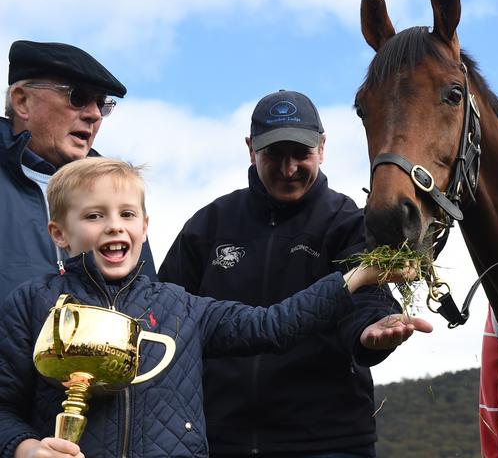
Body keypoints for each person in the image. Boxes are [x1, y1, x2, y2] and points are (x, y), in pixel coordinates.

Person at [0, 157, 431, 458]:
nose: (115, 225)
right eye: (94, 216)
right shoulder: (33, 304)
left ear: (144, 227)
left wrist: (356, 277)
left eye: (127, 214)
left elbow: (273, 325)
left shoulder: (182, 308)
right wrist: (25, 447)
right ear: (59, 233)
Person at [158, 89, 407, 457]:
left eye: (301, 154)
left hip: (328, 442)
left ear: (322, 148)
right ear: (250, 148)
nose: (288, 168)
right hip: (219, 440)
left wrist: (370, 332)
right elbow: (165, 313)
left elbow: (367, 298)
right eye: (274, 153)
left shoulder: (347, 222)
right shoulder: (209, 224)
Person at [0, 40, 156, 297]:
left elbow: (147, 301)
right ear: (22, 102)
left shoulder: (118, 192)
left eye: (102, 104)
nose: (94, 114)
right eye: (78, 97)